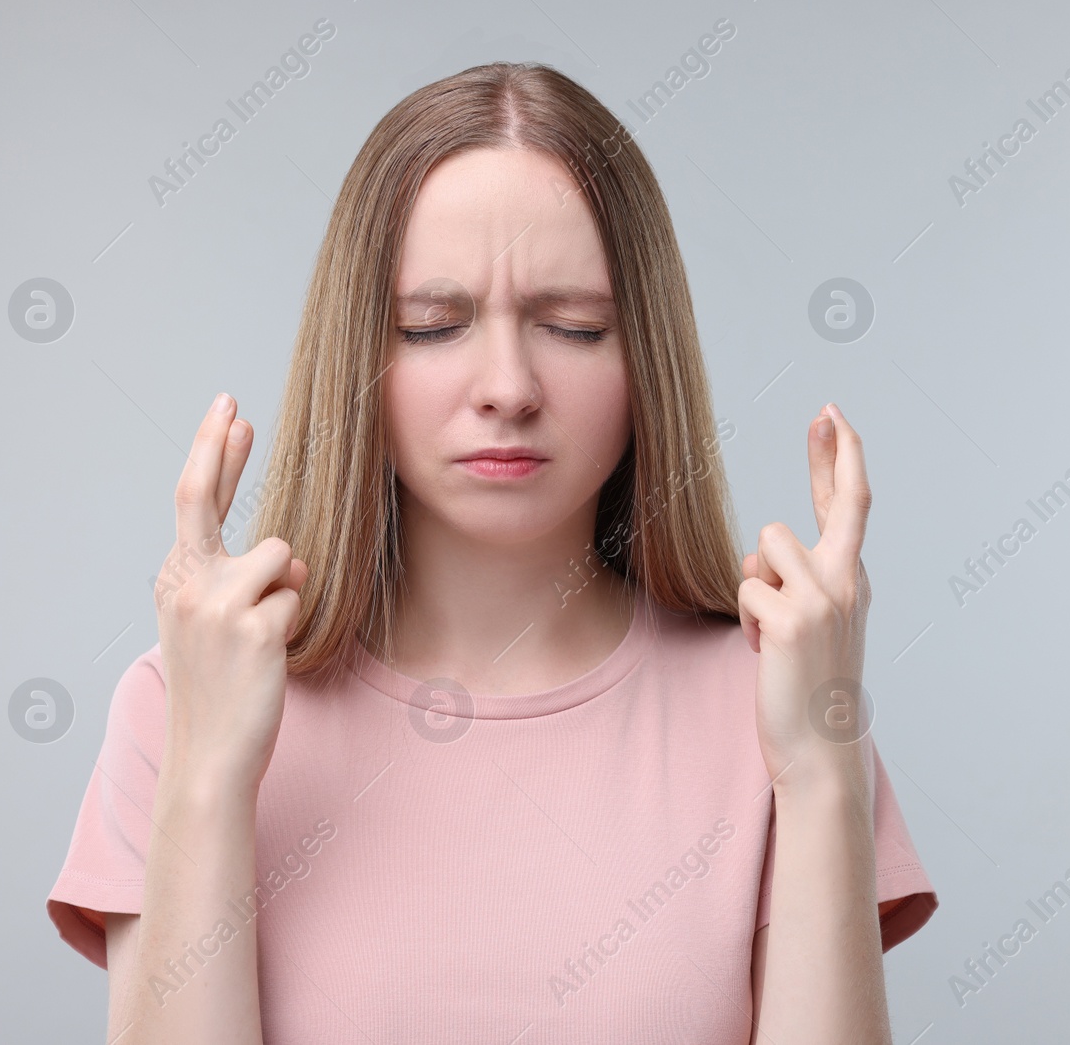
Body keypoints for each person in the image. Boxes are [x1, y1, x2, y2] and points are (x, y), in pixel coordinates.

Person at [45, 60, 937, 1044]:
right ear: (359, 357)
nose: (507, 384)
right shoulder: (182, 704)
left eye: (573, 325)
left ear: (646, 359)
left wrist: (816, 764)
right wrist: (209, 772)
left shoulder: (775, 701)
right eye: (434, 325)